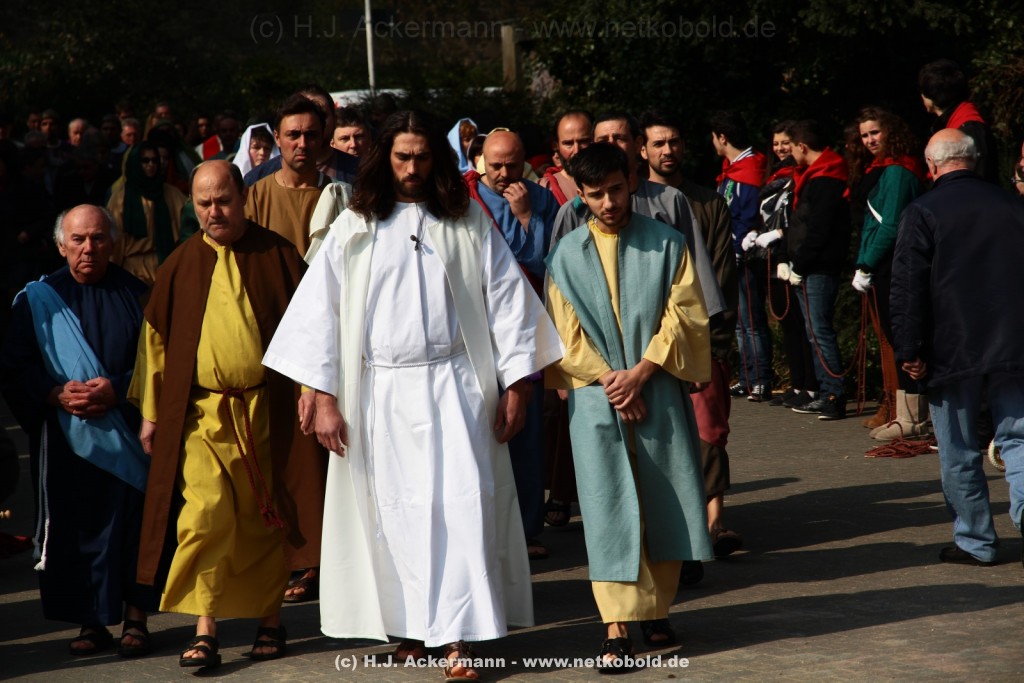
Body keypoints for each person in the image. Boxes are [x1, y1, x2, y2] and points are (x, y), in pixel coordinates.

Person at [262, 110, 563, 682]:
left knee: (461, 507)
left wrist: (518, 385)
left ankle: (457, 636)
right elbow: (318, 315)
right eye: (402, 157)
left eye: (423, 157)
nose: (413, 168)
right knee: (394, 513)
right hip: (379, 391)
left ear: (437, 160)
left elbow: (507, 302)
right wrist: (321, 395)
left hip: (457, 386)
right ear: (385, 159)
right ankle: (411, 627)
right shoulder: (356, 226)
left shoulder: (466, 220)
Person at [129, 160, 321, 668]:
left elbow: (312, 331)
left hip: (267, 410)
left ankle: (270, 621)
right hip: (203, 416)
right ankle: (205, 628)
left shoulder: (277, 254)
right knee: (205, 515)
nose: (214, 211)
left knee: (264, 517)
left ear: (243, 198)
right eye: (204, 203)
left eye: (223, 201)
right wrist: (151, 414)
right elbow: (155, 346)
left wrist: (312, 392)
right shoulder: (180, 263)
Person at [545, 142, 713, 668]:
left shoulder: (667, 244)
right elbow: (563, 334)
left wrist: (640, 374)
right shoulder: (565, 255)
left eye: (616, 190)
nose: (609, 203)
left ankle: (656, 610)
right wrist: (612, 384)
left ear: (632, 182)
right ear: (580, 193)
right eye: (596, 194)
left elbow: (685, 315)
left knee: (663, 498)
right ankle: (616, 625)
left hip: (656, 388)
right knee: (606, 506)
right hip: (597, 400)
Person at [0, 205, 157, 657]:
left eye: (98, 238)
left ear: (114, 243)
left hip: (127, 434)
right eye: (79, 239)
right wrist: (53, 394)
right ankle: (92, 621)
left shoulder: (138, 296)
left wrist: (118, 389)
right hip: (66, 439)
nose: (89, 248)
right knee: (79, 529)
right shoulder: (37, 300)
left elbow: (158, 364)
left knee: (133, 526)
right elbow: (14, 366)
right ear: (61, 245)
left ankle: (137, 618)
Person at [891, 129, 1024, 566]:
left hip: (950, 345)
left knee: (958, 447)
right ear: (975, 158)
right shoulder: (1013, 204)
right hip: (1014, 340)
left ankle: (975, 540)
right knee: (1019, 438)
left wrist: (908, 348)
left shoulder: (923, 210)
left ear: (931, 166)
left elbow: (908, 287)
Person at [640, 109, 741, 562]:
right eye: (658, 143)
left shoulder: (708, 203)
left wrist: (711, 341)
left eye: (674, 141)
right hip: (647, 342)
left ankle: (716, 519)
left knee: (709, 431)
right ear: (642, 149)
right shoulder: (630, 202)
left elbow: (719, 274)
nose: (668, 150)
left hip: (703, 335)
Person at [465, 129, 560, 559]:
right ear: (480, 161)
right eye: (496, 165)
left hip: (525, 328)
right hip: (477, 329)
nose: (504, 174)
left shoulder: (540, 200)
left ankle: (527, 529)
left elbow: (544, 263)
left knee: (526, 431)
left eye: (513, 165)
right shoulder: (464, 198)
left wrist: (525, 218)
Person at [848, 107, 926, 440]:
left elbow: (890, 224)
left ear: (890, 131)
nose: (869, 140)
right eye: (864, 135)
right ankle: (905, 415)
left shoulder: (897, 170)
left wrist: (866, 263)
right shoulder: (887, 168)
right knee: (896, 338)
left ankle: (912, 419)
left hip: (892, 262)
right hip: (883, 262)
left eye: (875, 132)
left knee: (902, 337)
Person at [783, 120, 851, 421]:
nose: (788, 153)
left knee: (819, 332)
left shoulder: (825, 179)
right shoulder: (814, 176)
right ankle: (827, 392)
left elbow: (819, 229)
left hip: (818, 267)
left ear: (802, 146)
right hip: (809, 265)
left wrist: (800, 264)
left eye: (790, 146)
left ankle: (834, 394)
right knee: (815, 332)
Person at [710, 111, 771, 402]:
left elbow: (747, 215)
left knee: (752, 321)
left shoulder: (749, 169)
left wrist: (736, 248)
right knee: (739, 321)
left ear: (722, 138)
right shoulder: (733, 169)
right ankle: (747, 378)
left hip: (746, 255)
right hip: (730, 254)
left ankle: (761, 379)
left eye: (714, 137)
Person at [244, 95, 331, 257]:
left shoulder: (339, 196)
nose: (302, 144)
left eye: (310, 135)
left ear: (321, 138)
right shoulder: (255, 196)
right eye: (293, 135)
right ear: (277, 138)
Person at [107, 142, 187, 287]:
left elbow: (188, 228)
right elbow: (115, 242)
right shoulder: (120, 198)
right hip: (133, 271)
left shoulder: (172, 194)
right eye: (145, 161)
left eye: (154, 160)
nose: (151, 165)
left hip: (168, 268)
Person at [918, 59, 998, 183]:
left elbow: (977, 178)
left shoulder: (969, 128)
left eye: (922, 90)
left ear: (931, 94)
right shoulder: (959, 123)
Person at [539, 110, 593, 205]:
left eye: (583, 141)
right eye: (568, 143)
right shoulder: (544, 189)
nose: (576, 151)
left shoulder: (614, 179)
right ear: (556, 146)